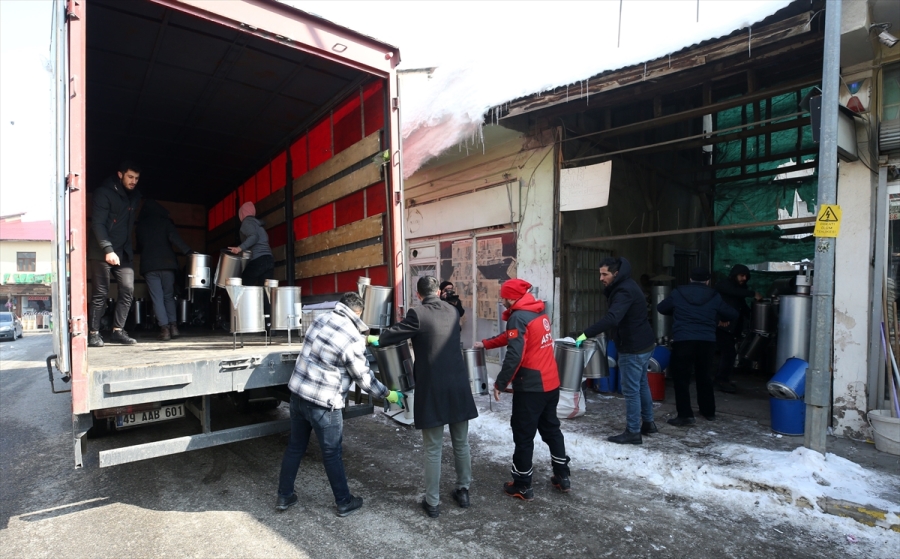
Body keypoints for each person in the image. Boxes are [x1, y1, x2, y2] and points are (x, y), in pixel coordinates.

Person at [275, 292, 403, 517]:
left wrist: (364, 340)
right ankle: (344, 501)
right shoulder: (351, 337)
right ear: (358, 313)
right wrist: (388, 394)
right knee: (331, 453)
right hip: (324, 404)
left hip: (298, 396)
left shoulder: (321, 319)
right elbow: (364, 379)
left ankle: (284, 496)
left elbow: (329, 343)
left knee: (295, 447)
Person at [377, 276, 479, 518]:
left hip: (432, 388)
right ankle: (463, 491)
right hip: (457, 386)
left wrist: (376, 337)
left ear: (418, 294)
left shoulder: (418, 313)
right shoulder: (453, 312)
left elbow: (393, 335)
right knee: (461, 443)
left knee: (433, 449)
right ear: (437, 291)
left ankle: (432, 502)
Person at [490, 278, 571, 501]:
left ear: (511, 297)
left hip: (532, 387)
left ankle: (522, 484)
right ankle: (562, 475)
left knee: (523, 435)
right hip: (551, 382)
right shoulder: (537, 312)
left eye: (504, 296)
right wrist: (486, 344)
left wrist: (500, 383)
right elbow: (516, 340)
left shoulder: (517, 317)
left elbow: (515, 355)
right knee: (551, 429)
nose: (502, 300)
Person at [576, 257, 657, 445]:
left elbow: (612, 318)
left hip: (634, 347)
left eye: (605, 274)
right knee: (641, 384)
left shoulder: (624, 290)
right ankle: (648, 423)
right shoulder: (627, 285)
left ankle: (633, 431)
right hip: (644, 343)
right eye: (600, 274)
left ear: (616, 274)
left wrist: (584, 334)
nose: (601, 278)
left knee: (631, 390)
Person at [657, 267, 738, 426]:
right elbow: (732, 314)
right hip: (706, 342)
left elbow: (661, 308)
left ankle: (685, 415)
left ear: (690, 278)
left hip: (683, 340)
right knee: (705, 377)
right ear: (708, 281)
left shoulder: (678, 293)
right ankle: (708, 412)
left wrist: (679, 312)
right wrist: (716, 317)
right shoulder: (714, 295)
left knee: (681, 379)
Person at [87, 161, 142, 347]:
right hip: (102, 250)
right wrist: (107, 250)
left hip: (123, 251)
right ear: (120, 174)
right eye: (130, 177)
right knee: (100, 292)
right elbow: (98, 224)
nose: (133, 181)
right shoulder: (104, 193)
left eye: (136, 178)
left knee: (128, 289)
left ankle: (117, 331)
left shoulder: (134, 197)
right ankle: (93, 333)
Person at [136, 200, 194, 341]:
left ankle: (165, 329)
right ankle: (174, 327)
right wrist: (189, 252)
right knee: (168, 296)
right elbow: (176, 239)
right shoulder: (165, 223)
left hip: (150, 266)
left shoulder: (141, 226)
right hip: (168, 265)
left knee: (157, 298)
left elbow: (139, 247)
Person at [714, 264, 762, 393]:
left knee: (728, 353)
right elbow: (734, 293)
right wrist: (753, 294)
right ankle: (720, 380)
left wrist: (754, 315)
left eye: (746, 276)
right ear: (734, 275)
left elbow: (742, 305)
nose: (744, 278)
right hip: (722, 325)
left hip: (732, 326)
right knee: (727, 353)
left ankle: (722, 379)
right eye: (741, 275)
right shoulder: (724, 284)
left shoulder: (739, 288)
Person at [228, 201, 274, 287]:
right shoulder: (258, 225)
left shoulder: (247, 223)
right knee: (266, 291)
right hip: (269, 259)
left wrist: (239, 248)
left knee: (243, 285)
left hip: (258, 259)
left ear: (242, 213)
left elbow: (254, 237)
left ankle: (241, 301)